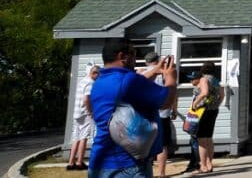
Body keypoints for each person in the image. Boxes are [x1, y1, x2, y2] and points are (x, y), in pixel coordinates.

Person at [87, 39, 176, 178]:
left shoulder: (100, 81)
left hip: (100, 163)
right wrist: (171, 77)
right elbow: (166, 102)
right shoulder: (129, 80)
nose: (135, 59)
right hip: (128, 165)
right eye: (134, 54)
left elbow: (129, 87)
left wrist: (155, 71)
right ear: (123, 56)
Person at [139, 53, 177, 178]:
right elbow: (172, 91)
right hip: (163, 112)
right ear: (158, 60)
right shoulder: (165, 72)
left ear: (146, 62)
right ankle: (161, 173)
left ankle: (145, 171)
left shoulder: (141, 73)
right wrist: (174, 109)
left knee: (145, 142)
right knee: (163, 144)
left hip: (146, 113)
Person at [192, 63, 224, 175]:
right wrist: (217, 104)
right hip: (213, 111)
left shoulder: (203, 79)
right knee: (209, 138)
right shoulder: (216, 80)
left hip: (203, 110)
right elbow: (222, 94)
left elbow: (204, 93)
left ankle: (203, 166)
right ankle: (210, 163)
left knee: (201, 139)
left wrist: (195, 103)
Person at [68, 65, 100, 170]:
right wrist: (90, 111)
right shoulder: (90, 83)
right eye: (98, 74)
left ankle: (70, 163)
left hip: (77, 112)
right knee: (84, 138)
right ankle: (79, 162)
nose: (99, 76)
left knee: (76, 138)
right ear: (93, 73)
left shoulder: (82, 81)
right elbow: (86, 99)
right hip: (85, 113)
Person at [183, 73, 202, 173]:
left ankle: (195, 163)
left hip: (196, 119)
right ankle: (194, 162)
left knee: (195, 141)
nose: (191, 81)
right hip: (194, 118)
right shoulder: (197, 89)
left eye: (192, 79)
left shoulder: (199, 90)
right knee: (193, 141)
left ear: (198, 79)